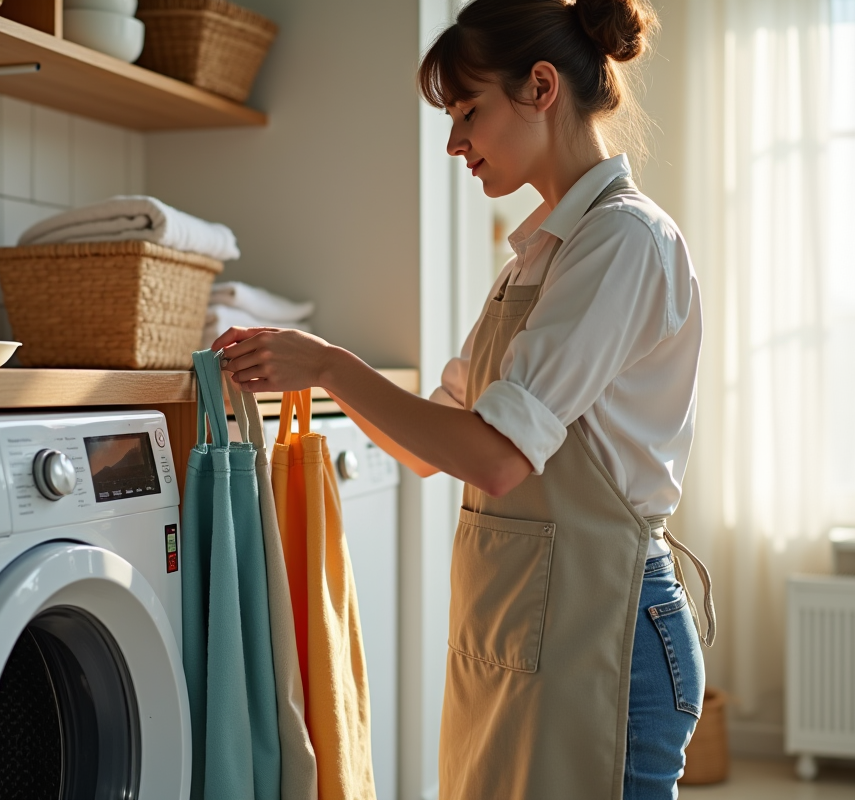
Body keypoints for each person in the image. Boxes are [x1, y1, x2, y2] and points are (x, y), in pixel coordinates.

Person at [214, 0, 716, 797]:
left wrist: (335, 367)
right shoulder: (535, 258)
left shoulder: (624, 243)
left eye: (468, 111)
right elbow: (432, 445)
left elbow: (495, 458)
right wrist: (309, 381)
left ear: (541, 87)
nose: (454, 142)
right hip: (530, 624)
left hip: (607, 626)